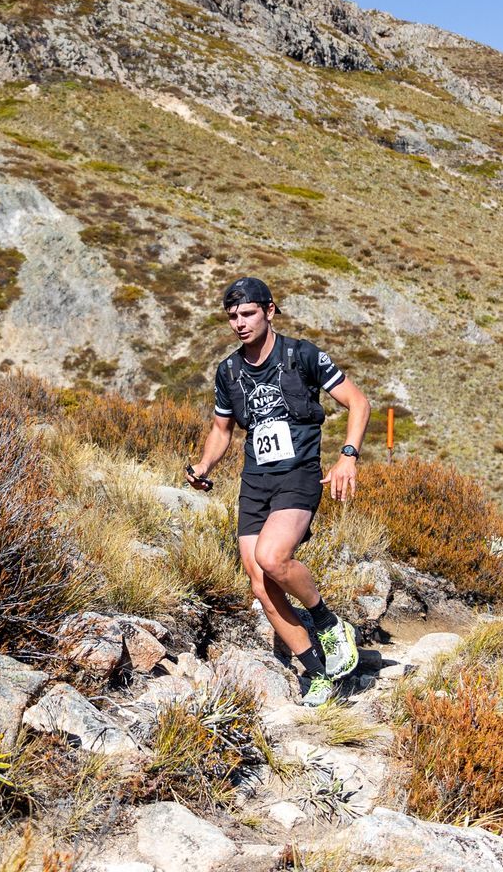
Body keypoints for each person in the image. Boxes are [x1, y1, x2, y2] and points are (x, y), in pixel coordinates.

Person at [185, 276, 370, 706]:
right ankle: (317, 671)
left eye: (247, 313)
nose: (239, 323)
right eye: (232, 316)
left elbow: (358, 403)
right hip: (256, 481)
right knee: (260, 582)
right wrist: (204, 464)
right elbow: (221, 430)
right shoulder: (229, 370)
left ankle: (327, 622)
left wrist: (348, 457)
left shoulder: (302, 355)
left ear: (269, 311)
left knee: (273, 558)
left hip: (299, 474)